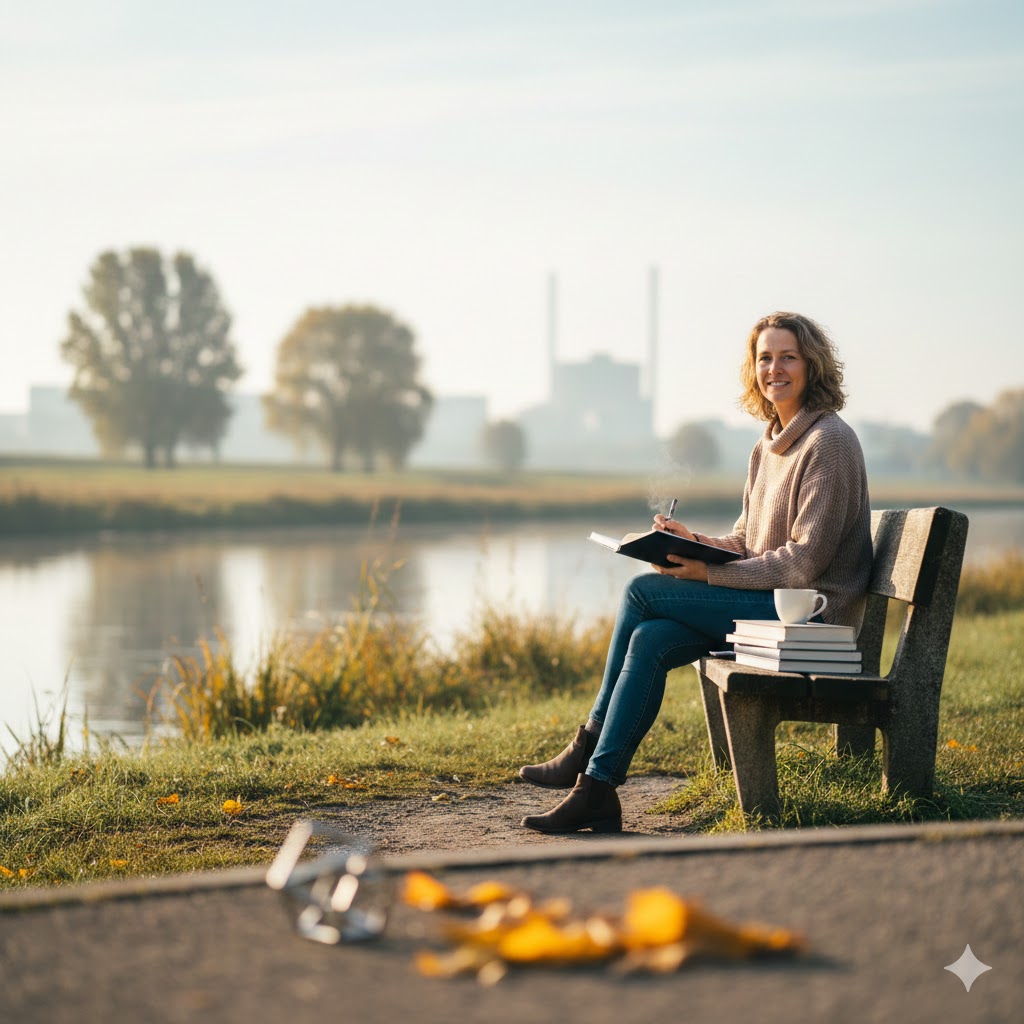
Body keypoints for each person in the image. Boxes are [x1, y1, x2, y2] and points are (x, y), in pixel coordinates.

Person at [518, 311, 873, 834]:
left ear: (812, 364)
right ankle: (597, 788)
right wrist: (696, 544)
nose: (775, 368)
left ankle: (587, 746)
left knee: (644, 593)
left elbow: (804, 563)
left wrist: (707, 576)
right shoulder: (767, 445)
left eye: (788, 357)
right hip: (772, 606)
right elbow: (747, 543)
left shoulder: (829, 443)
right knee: (653, 638)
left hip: (813, 620)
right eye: (765, 358)